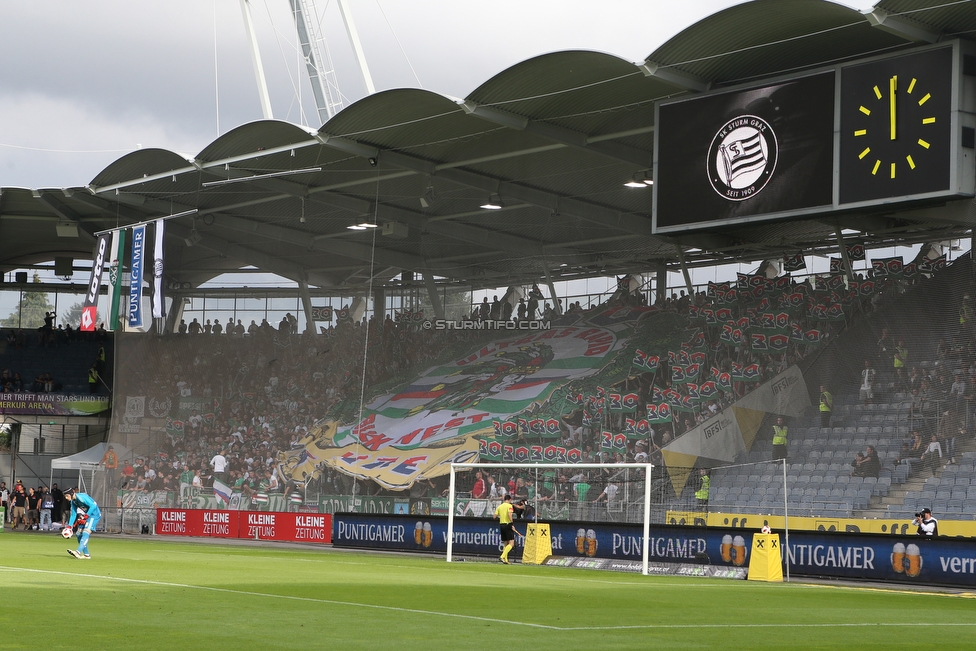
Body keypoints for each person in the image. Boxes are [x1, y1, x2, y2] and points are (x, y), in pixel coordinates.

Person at [64, 487, 101, 559]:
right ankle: (86, 555)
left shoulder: (81, 498)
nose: (66, 498)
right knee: (78, 534)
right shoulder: (73, 501)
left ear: (72, 494)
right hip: (86, 516)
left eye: (67, 496)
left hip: (94, 515)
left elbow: (93, 505)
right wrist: (69, 526)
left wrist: (86, 516)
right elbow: (73, 514)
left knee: (86, 532)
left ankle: (78, 552)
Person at [494, 494, 516, 564]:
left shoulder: (500, 506)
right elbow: (510, 514)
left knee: (505, 543)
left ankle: (505, 560)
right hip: (507, 524)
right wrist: (512, 524)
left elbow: (494, 517)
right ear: (509, 499)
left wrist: (501, 518)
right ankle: (502, 556)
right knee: (511, 543)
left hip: (501, 525)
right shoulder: (509, 506)